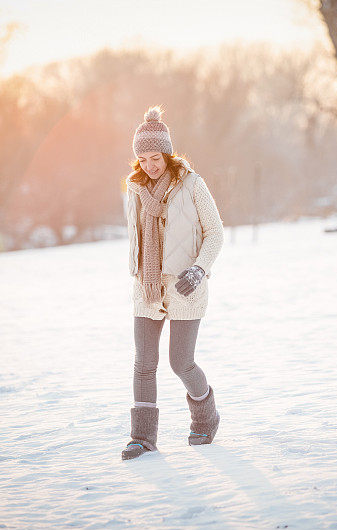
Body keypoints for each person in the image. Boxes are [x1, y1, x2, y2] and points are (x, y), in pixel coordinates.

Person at [121, 106, 225, 460]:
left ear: (167, 153)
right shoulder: (135, 190)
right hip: (148, 286)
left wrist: (199, 269)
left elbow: (215, 233)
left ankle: (205, 417)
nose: (151, 165)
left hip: (186, 284)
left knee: (181, 362)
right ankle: (142, 437)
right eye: (143, 158)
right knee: (143, 363)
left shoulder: (193, 184)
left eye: (156, 157)